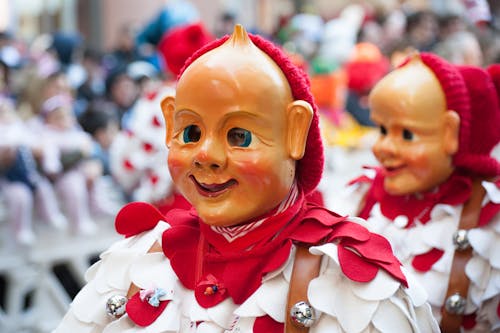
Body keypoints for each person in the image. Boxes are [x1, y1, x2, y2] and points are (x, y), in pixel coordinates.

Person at [53, 25, 438, 332]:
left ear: (295, 133)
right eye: (190, 133)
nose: (206, 155)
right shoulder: (135, 261)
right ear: (169, 122)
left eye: (240, 136)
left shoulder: (352, 280)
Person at [324, 52, 500, 331]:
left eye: (407, 134)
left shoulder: (489, 224)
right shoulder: (361, 195)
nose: (383, 147)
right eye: (382, 129)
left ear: (451, 133)